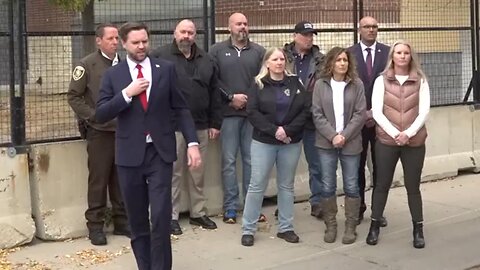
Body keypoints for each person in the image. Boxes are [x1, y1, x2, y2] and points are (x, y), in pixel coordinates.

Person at [95, 22, 201, 270]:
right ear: (123, 43)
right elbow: (100, 113)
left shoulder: (165, 69)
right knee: (138, 221)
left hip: (160, 153)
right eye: (135, 42)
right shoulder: (114, 75)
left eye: (145, 41)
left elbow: (181, 108)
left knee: (161, 218)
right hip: (129, 156)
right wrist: (126, 94)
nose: (142, 46)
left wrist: (193, 142)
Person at [150, 19, 222, 235]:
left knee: (197, 173)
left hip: (201, 125)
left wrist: (215, 122)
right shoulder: (160, 57)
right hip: (171, 127)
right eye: (183, 32)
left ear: (195, 35)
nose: (187, 36)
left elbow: (215, 93)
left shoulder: (206, 59)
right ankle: (171, 216)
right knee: (173, 173)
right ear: (175, 33)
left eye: (190, 32)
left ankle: (198, 213)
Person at [67, 23, 129, 246]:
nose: (115, 42)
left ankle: (122, 222)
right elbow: (74, 96)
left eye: (117, 39)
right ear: (99, 40)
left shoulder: (124, 64)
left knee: (120, 178)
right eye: (110, 38)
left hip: (122, 131)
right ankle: (95, 226)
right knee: (99, 180)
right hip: (100, 132)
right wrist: (93, 116)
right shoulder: (87, 65)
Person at [241, 48, 310, 246]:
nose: (280, 62)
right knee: (257, 185)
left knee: (286, 185)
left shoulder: (295, 83)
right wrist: (275, 131)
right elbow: (252, 112)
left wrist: (287, 131)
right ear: (267, 63)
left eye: (282, 59)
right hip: (264, 142)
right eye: (275, 59)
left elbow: (305, 110)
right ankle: (248, 229)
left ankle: (286, 227)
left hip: (290, 142)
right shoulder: (258, 84)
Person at [366, 40, 430, 249]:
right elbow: (377, 111)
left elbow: (424, 112)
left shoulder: (420, 80)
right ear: (392, 56)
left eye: (406, 53)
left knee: (413, 187)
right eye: (398, 52)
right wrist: (395, 134)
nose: (402, 56)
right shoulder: (381, 80)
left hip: (414, 142)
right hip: (387, 141)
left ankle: (418, 229)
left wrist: (408, 134)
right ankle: (374, 226)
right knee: (382, 184)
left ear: (411, 56)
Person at [209, 12, 265, 224]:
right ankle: (230, 207)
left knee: (252, 161)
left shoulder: (258, 51)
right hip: (229, 115)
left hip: (252, 116)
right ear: (229, 27)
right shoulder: (216, 51)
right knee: (229, 161)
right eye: (238, 24)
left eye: (245, 23)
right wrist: (231, 97)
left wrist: (249, 100)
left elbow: (263, 80)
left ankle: (252, 206)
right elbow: (213, 80)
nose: (243, 27)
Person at [312, 47, 366, 244]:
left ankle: (351, 226)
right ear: (331, 64)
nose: (342, 63)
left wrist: (344, 135)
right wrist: (333, 135)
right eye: (338, 60)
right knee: (327, 185)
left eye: (345, 60)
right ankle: (331, 225)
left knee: (351, 185)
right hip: (326, 143)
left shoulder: (356, 84)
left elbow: (360, 114)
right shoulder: (320, 85)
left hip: (351, 142)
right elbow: (317, 113)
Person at [349, 16, 389, 226]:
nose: (371, 30)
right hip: (357, 121)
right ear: (359, 30)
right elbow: (346, 87)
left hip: (382, 120)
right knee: (357, 166)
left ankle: (378, 211)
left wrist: (376, 112)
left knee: (380, 167)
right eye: (367, 27)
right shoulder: (349, 54)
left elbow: (392, 86)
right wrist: (362, 113)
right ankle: (359, 209)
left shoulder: (388, 52)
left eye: (374, 26)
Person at [283, 20, 324, 218]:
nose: (308, 39)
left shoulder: (320, 60)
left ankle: (317, 201)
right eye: (305, 35)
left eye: (311, 35)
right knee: (286, 165)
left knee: (315, 163)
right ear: (295, 36)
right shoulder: (282, 58)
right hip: (287, 119)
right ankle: (284, 201)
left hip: (311, 119)